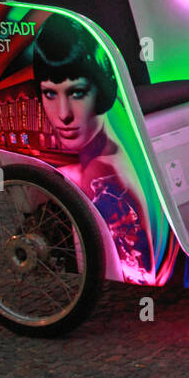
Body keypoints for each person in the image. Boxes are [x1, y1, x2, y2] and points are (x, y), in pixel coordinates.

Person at [32, 14, 155, 284]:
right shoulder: (107, 152)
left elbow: (140, 270)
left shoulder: (102, 175)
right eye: (50, 93)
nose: (63, 115)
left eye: (77, 93)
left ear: (100, 90)